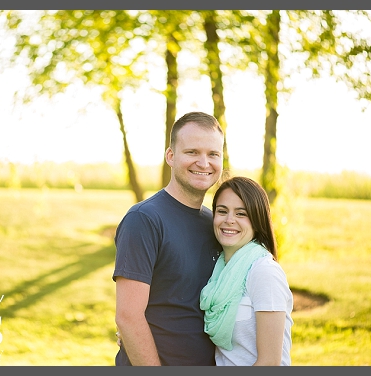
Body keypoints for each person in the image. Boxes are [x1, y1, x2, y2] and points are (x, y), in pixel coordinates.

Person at [113, 111, 224, 366]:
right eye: (192, 152)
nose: (204, 162)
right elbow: (128, 317)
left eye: (213, 154)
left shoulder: (216, 224)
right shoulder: (144, 219)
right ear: (170, 157)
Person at [199, 176, 293, 366]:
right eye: (222, 211)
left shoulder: (265, 273)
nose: (229, 220)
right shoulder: (221, 272)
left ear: (257, 220)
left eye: (241, 214)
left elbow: (269, 363)